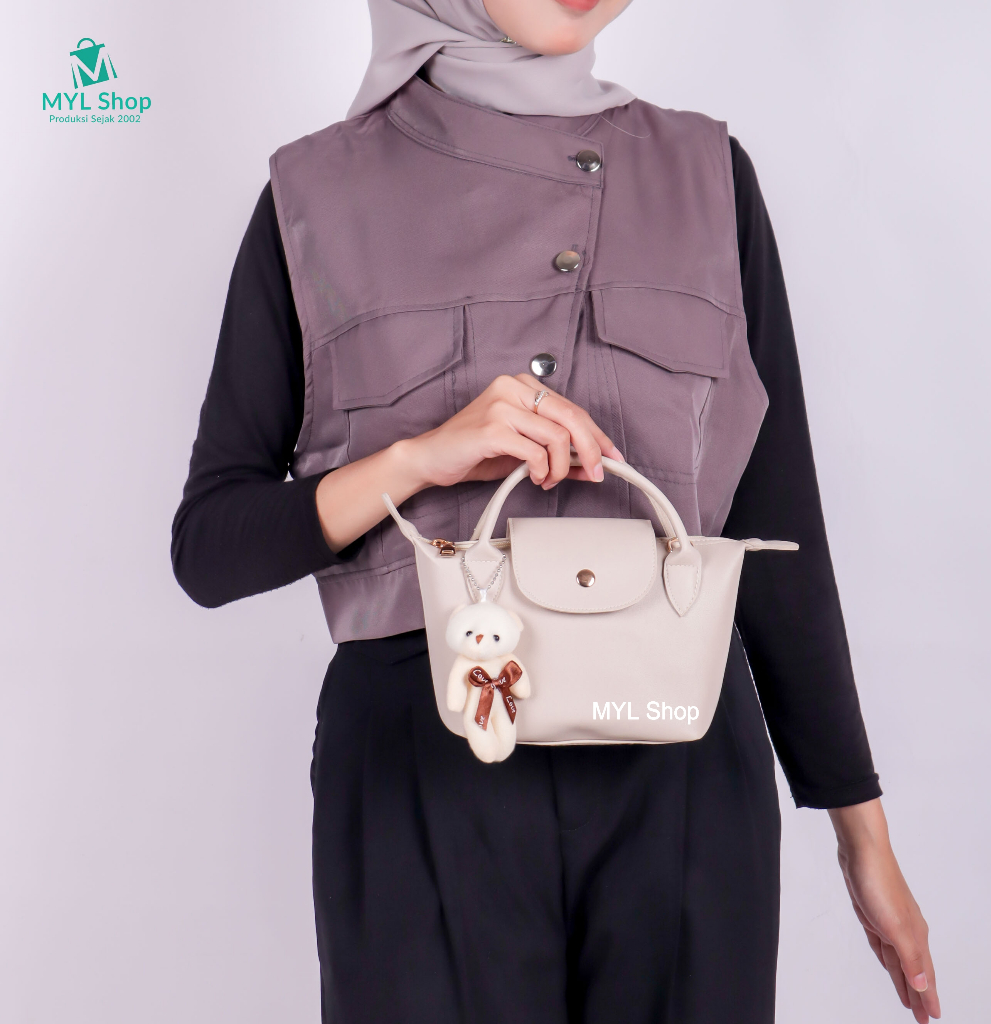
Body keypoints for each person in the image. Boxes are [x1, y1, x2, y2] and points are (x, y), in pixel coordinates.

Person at [172, 1, 940, 1021]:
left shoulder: (709, 174)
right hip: (424, 767)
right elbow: (209, 547)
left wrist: (862, 834)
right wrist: (418, 457)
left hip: (682, 775)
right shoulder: (315, 196)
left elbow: (777, 519)